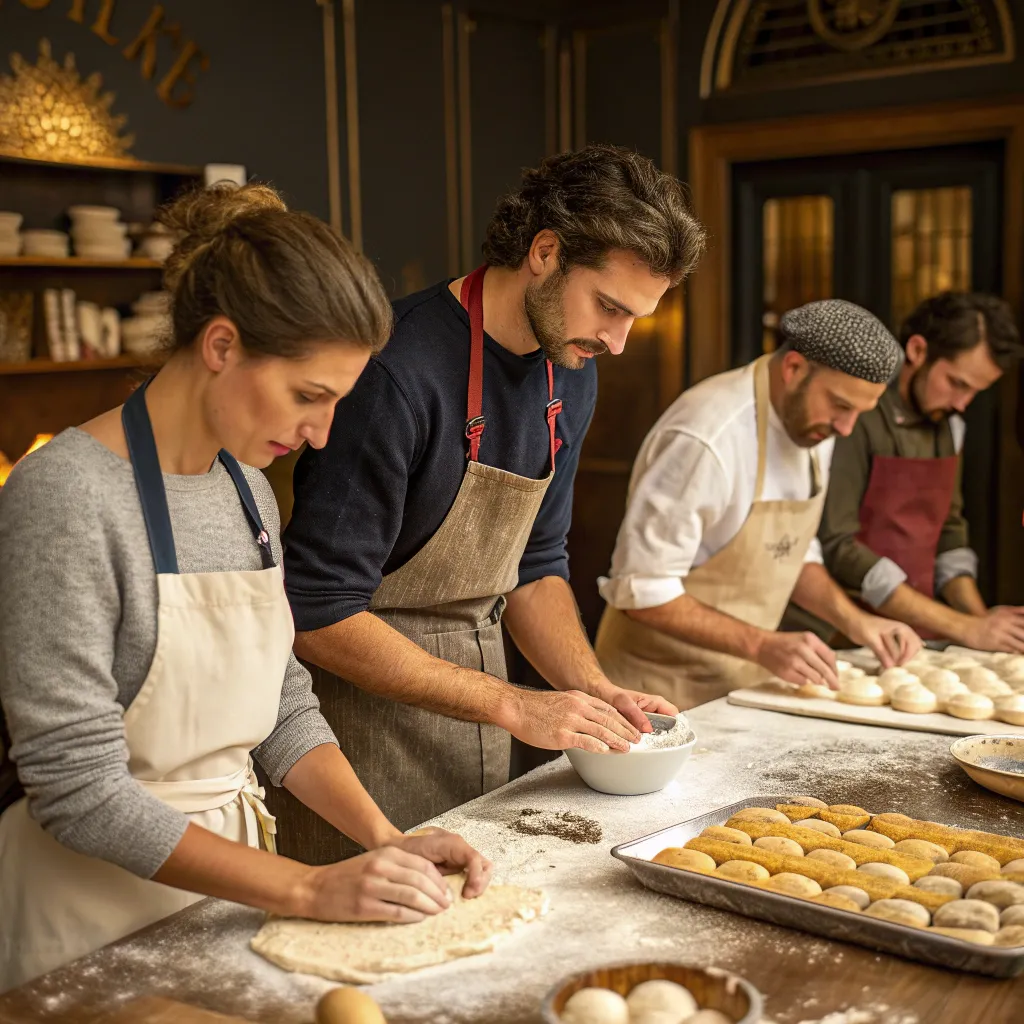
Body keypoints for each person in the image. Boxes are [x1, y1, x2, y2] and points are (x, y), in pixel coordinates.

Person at [0, 183, 490, 993]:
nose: (321, 434)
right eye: (309, 396)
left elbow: (282, 707)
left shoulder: (246, 488)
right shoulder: (66, 496)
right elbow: (76, 787)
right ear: (222, 345)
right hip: (86, 926)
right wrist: (306, 888)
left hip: (228, 896)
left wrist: (384, 837)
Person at [277, 145, 707, 861]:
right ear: (545, 251)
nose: (618, 341)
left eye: (636, 317)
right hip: (358, 739)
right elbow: (316, 613)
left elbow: (535, 566)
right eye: (609, 307)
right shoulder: (397, 372)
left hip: (483, 726)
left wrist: (596, 691)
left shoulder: (571, 371)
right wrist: (510, 703)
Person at [594, 299, 922, 710]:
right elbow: (641, 589)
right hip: (651, 691)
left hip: (738, 685)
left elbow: (789, 553)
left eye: (860, 412)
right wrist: (762, 645)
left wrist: (858, 623)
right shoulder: (707, 437)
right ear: (794, 369)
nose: (846, 428)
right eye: (841, 405)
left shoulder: (815, 428)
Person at [816, 291, 1024, 650]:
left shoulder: (950, 426)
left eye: (975, 392)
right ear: (917, 350)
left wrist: (983, 625)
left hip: (921, 631)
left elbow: (949, 533)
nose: (962, 404)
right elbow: (839, 546)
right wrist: (964, 627)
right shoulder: (858, 415)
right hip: (843, 633)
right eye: (957, 384)